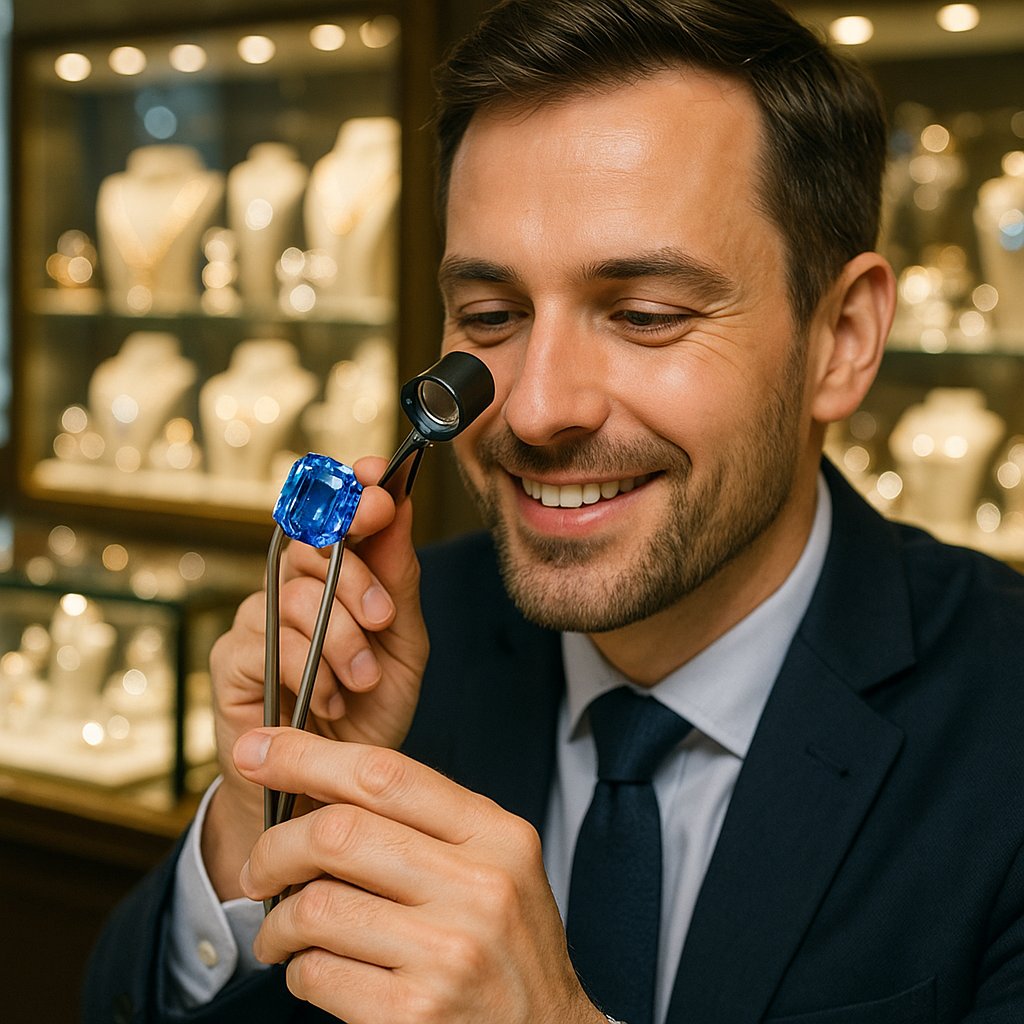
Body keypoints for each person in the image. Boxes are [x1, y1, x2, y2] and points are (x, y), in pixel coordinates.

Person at [84, 1, 1024, 1022]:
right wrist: (261, 821)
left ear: (840, 338)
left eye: (643, 317)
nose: (534, 408)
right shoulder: (375, 658)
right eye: (490, 318)